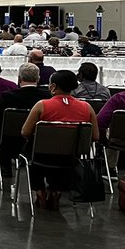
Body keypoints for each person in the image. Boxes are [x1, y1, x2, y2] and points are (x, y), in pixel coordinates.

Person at [21, 69, 98, 210]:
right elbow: (95, 137)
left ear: (53, 86)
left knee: (30, 152)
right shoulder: (87, 107)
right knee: (62, 158)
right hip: (70, 158)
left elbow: (25, 132)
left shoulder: (42, 105)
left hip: (41, 157)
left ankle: (39, 190)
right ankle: (56, 190)